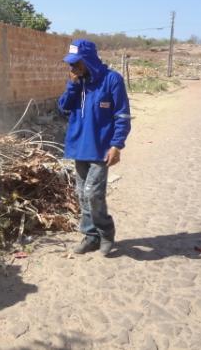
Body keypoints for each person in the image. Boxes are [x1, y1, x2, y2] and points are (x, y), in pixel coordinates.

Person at [58, 39, 131, 256]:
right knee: (82, 193)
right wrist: (72, 85)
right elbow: (62, 108)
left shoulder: (112, 80)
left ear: (88, 60)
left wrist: (117, 145)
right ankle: (91, 236)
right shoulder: (78, 82)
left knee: (93, 193)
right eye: (70, 64)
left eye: (76, 63)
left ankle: (106, 233)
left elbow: (122, 115)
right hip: (80, 146)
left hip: (101, 148)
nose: (72, 68)